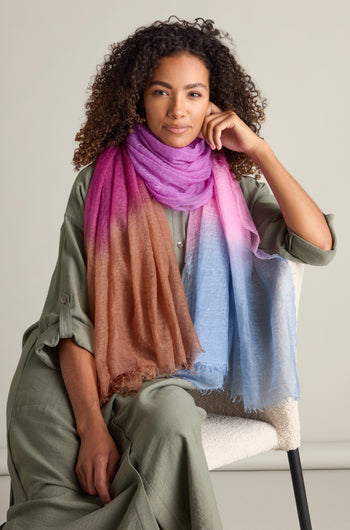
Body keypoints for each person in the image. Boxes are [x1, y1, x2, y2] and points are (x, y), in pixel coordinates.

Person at [4, 17, 336, 530]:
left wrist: (260, 151)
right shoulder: (98, 183)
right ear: (138, 98)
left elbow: (317, 245)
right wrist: (92, 426)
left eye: (194, 93)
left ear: (215, 104)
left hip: (152, 385)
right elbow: (69, 319)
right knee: (54, 508)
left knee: (175, 420)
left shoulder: (232, 192)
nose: (178, 110)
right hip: (69, 376)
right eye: (161, 92)